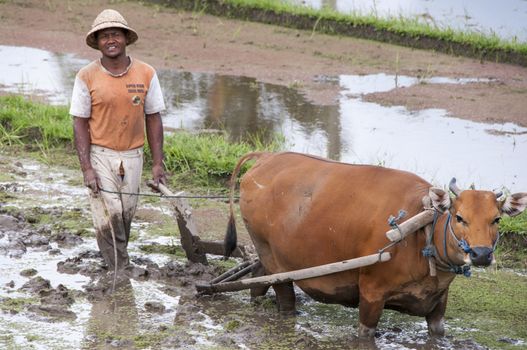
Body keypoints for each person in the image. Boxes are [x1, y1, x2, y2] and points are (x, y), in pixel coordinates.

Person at [70, 9, 166, 271]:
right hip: (101, 154)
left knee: (125, 214)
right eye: (104, 36)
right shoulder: (86, 76)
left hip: (134, 155)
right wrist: (87, 168)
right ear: (97, 43)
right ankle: (119, 270)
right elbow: (79, 122)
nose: (110, 40)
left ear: (125, 38)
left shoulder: (146, 73)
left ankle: (117, 261)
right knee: (108, 212)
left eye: (115, 34)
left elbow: (154, 118)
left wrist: (158, 163)